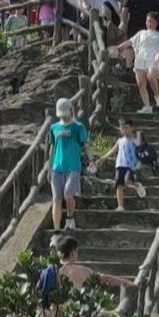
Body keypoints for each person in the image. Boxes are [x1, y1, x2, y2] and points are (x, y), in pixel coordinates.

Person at [48, 96, 92, 231]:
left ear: (70, 111)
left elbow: (86, 145)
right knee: (56, 198)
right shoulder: (54, 128)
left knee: (68, 193)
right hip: (57, 167)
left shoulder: (78, 127)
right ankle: (56, 229)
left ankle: (70, 218)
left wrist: (91, 160)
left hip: (73, 166)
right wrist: (49, 168)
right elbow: (52, 148)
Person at [97, 119, 147, 210]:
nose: (124, 130)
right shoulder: (120, 141)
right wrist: (102, 158)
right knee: (119, 185)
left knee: (127, 181)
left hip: (130, 166)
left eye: (126, 128)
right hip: (119, 165)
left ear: (131, 128)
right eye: (122, 128)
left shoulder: (135, 140)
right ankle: (120, 206)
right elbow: (112, 150)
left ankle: (137, 185)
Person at [123, 11, 159, 113]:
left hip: (152, 60)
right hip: (140, 59)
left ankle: (157, 97)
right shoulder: (141, 33)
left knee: (151, 76)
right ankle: (147, 106)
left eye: (152, 21)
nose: (150, 24)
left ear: (157, 23)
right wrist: (121, 46)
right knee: (141, 83)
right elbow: (131, 41)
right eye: (148, 21)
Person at [56, 236, 133, 289]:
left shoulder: (50, 271)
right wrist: (126, 282)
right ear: (72, 252)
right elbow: (106, 279)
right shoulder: (82, 271)